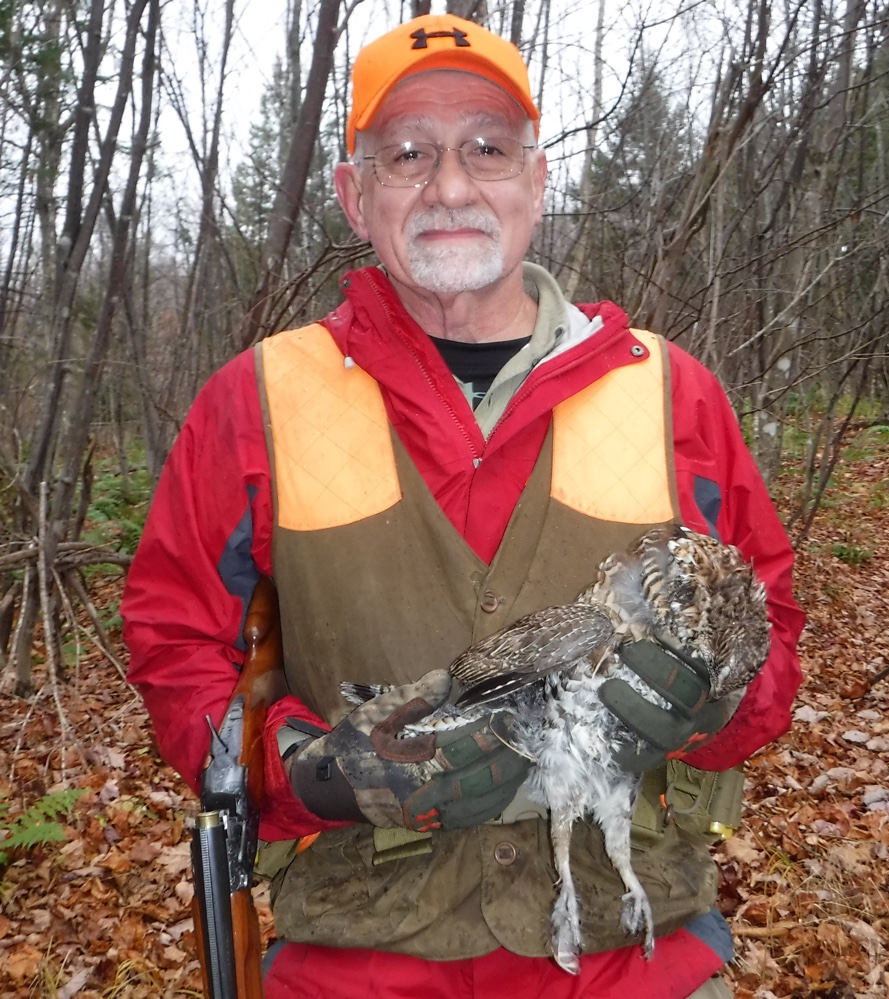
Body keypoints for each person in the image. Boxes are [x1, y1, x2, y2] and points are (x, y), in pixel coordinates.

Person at [121, 13, 804, 999]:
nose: (449, 186)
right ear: (355, 196)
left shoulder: (671, 394)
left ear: (534, 182)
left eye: (486, 150)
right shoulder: (257, 401)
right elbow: (174, 637)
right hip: (358, 953)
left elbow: (772, 631)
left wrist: (707, 703)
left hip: (631, 947)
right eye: (408, 154)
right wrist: (305, 773)